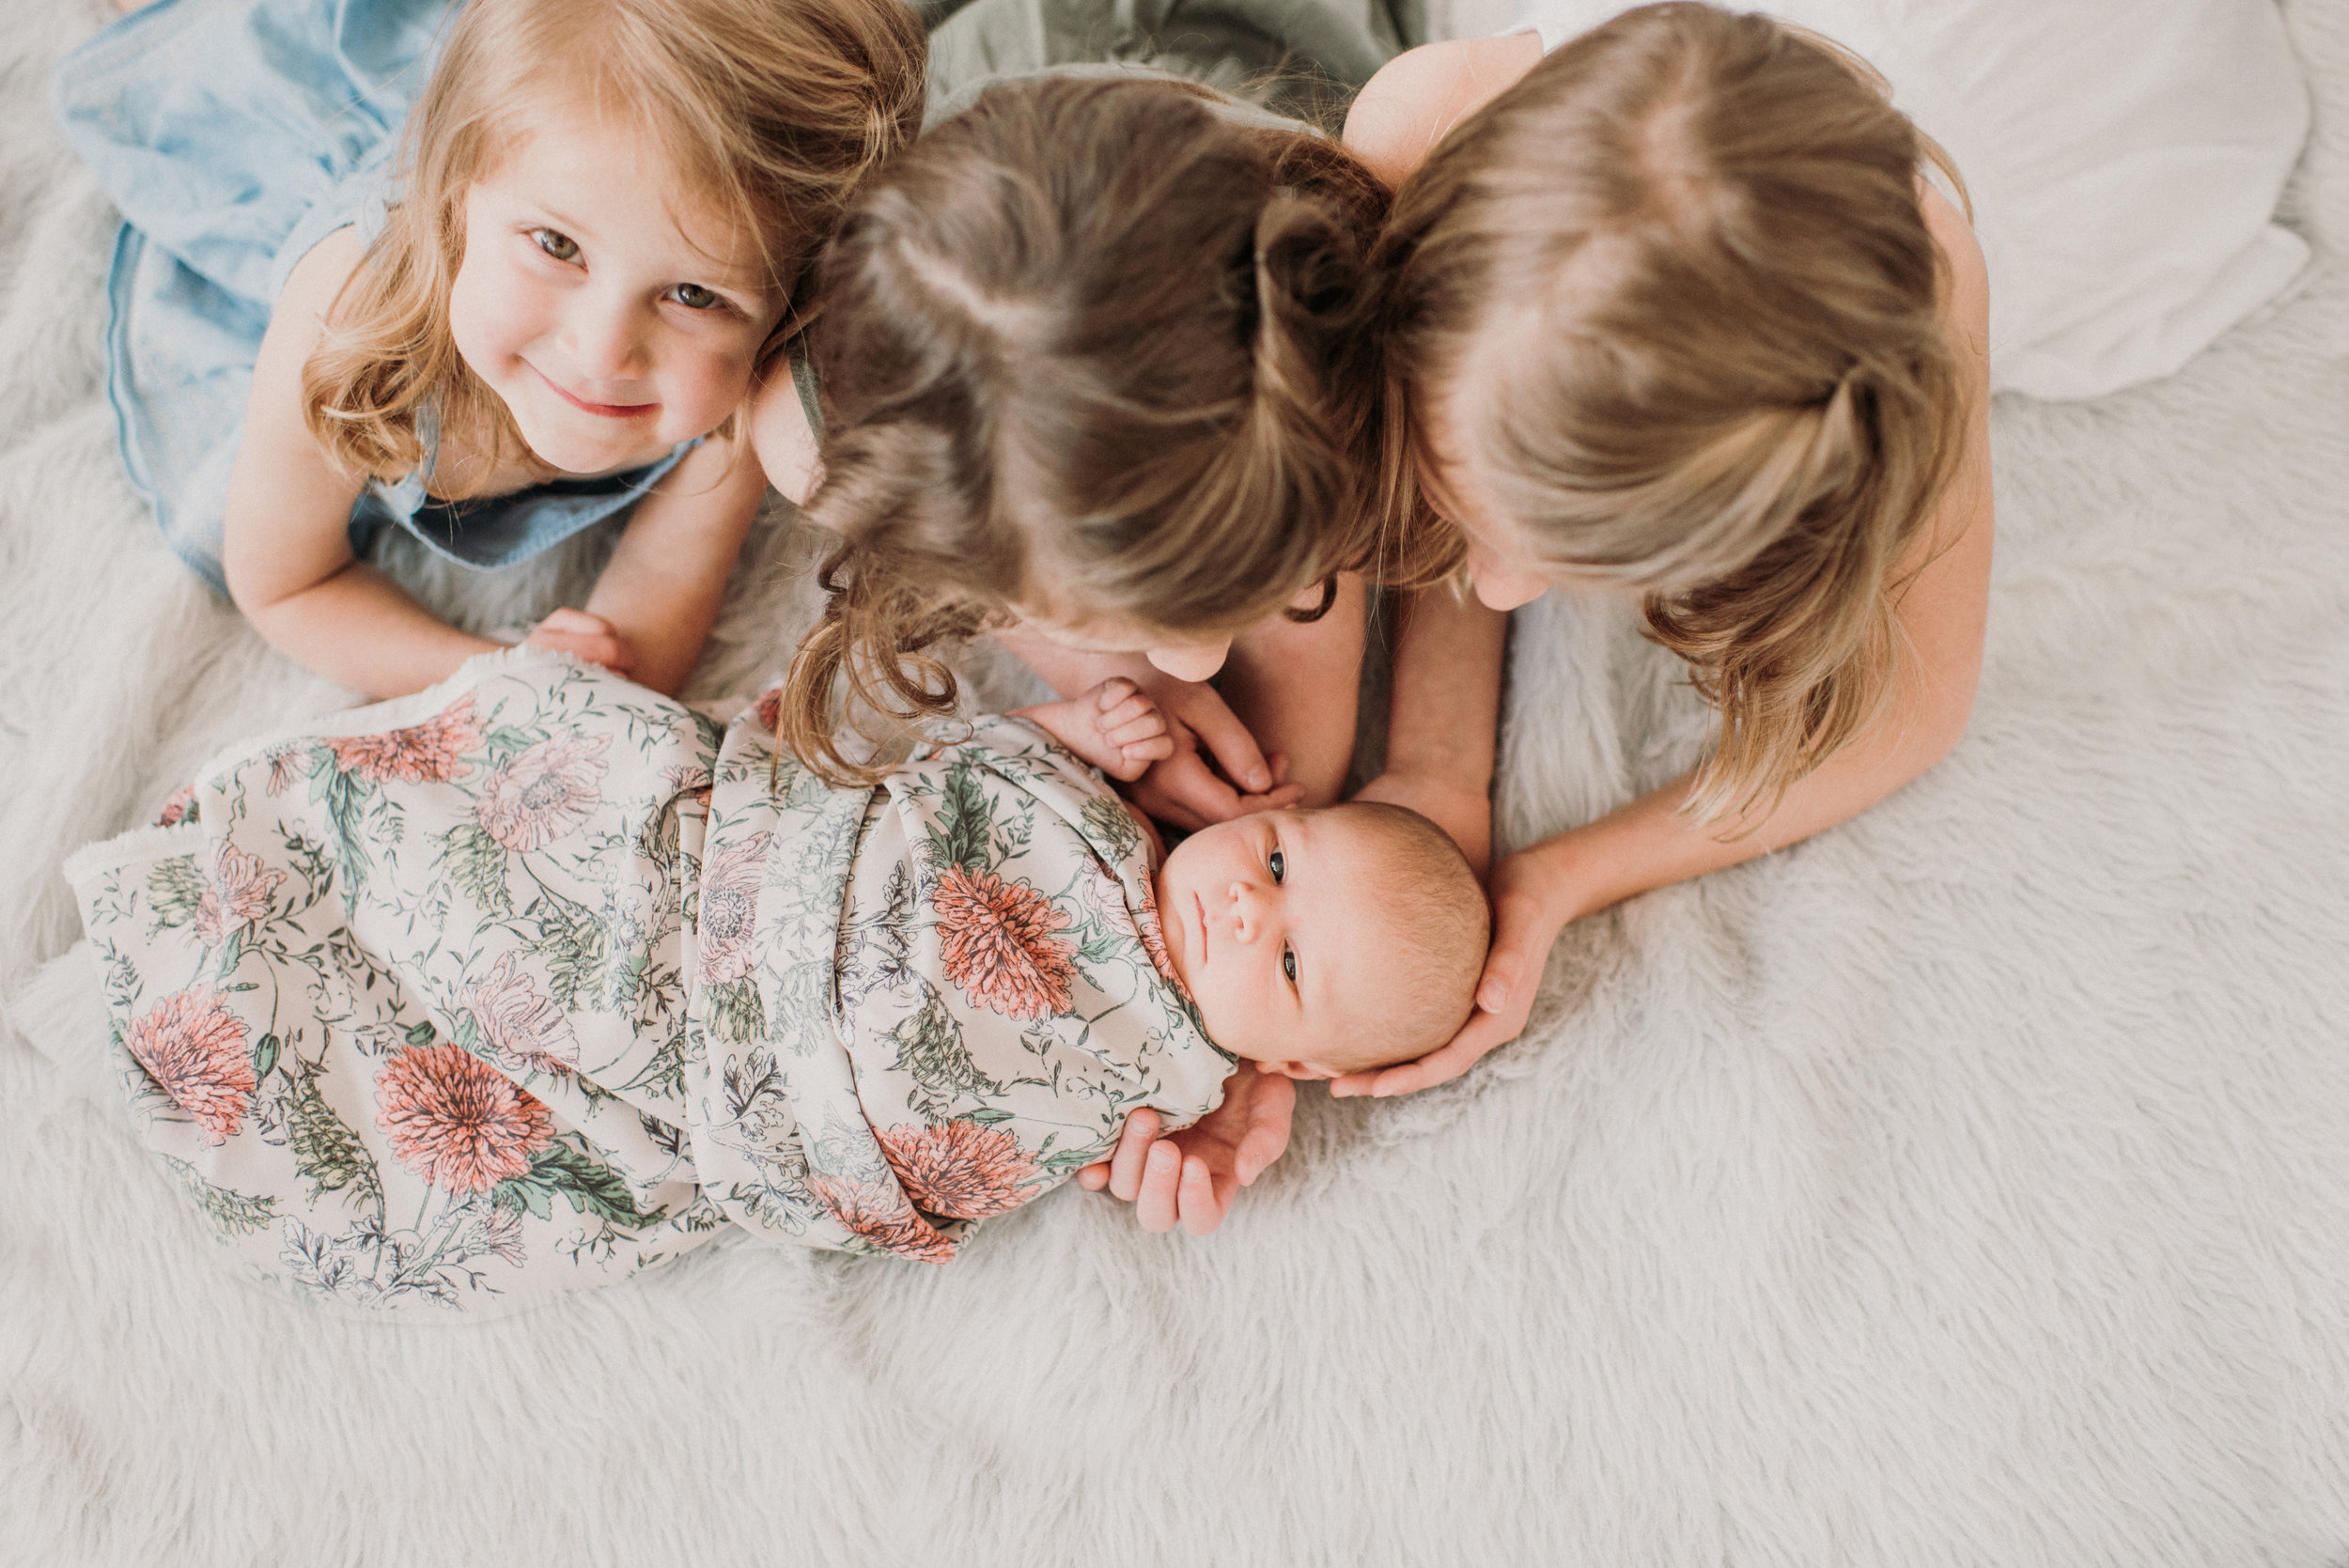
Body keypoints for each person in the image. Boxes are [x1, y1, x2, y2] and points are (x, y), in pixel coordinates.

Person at [65, 652, 1486, 1312]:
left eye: (1288, 961)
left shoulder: (1169, 1091)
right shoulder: (1100, 812)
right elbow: (944, 787)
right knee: (569, 809)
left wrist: (1168, 1141)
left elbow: (975, 1133)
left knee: (533, 1103)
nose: (1246, 902)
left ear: (1287, 1067)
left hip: (749, 1106)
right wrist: (1068, 727)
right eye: (1286, 859)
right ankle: (271, 880)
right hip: (715, 898)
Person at [1331, 1, 1995, 1094]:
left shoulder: (1923, 296)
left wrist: (1559, 876)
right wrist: (1433, 768)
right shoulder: (1422, 120)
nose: (1492, 587)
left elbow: (1914, 714)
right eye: (1470, 511)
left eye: (1566, 559)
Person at [51, 0, 926, 697]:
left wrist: (573, 689)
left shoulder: (748, 378)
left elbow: (647, 621)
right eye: (555, 246)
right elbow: (286, 585)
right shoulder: (348, 318)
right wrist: (483, 674)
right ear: (454, 193)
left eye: (695, 294)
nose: (603, 349)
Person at [764, 72, 1449, 834]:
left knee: (1292, 777)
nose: (1198, 662)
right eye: (1143, 622)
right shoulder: (811, 435)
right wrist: (1111, 687)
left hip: (1198, 111)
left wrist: (1437, 768)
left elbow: (1457, 521)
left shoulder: (1318, 327)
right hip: (1013, 189)